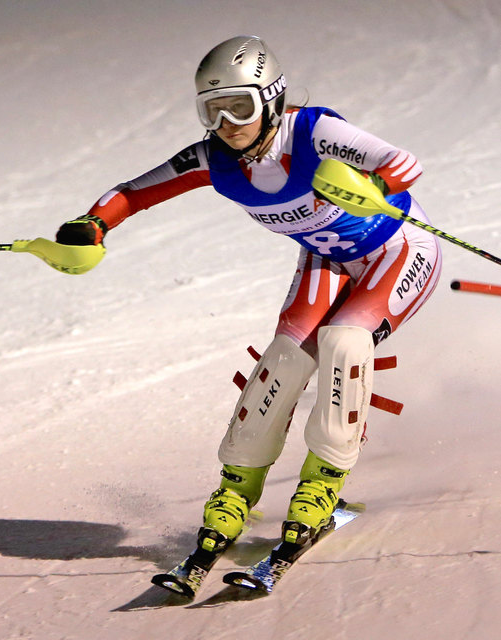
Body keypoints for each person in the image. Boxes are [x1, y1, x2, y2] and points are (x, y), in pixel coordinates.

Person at [56, 36, 442, 552]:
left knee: (346, 342)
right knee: (283, 360)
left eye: (240, 106)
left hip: (398, 248)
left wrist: (373, 184)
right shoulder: (213, 157)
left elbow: (404, 164)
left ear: (273, 97)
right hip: (325, 258)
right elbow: (133, 192)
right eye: (212, 111)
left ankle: (322, 485)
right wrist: (93, 224)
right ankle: (236, 489)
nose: (228, 124)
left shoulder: (314, 131)